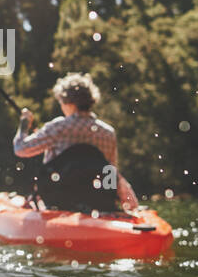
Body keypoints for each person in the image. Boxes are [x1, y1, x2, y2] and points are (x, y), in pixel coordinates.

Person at [12, 72, 139, 212]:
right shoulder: (107, 133)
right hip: (98, 200)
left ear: (68, 103)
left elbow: (20, 148)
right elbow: (111, 171)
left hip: (59, 201)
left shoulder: (58, 128)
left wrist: (24, 124)